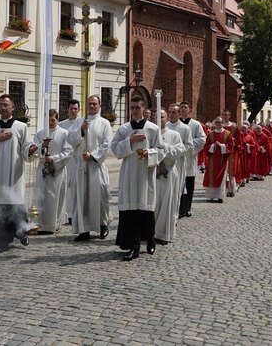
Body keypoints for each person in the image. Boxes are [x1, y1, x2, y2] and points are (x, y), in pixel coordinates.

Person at [111, 96, 165, 260]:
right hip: (129, 173)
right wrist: (129, 141)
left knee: (146, 208)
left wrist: (151, 153)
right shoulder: (124, 129)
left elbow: (161, 150)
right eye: (132, 107)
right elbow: (114, 148)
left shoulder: (153, 129)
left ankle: (150, 239)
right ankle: (133, 246)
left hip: (145, 173)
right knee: (130, 211)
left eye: (137, 107)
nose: (134, 110)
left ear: (144, 108)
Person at [0, 94, 33, 254]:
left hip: (15, 173)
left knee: (16, 204)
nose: (3, 108)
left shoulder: (21, 127)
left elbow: (26, 147)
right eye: (0, 105)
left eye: (6, 105)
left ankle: (23, 233)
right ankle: (2, 243)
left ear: (13, 108)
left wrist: (31, 149)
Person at [67, 95, 113, 242]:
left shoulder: (105, 123)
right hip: (81, 167)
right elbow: (70, 140)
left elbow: (107, 144)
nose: (92, 106)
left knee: (100, 196)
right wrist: (81, 130)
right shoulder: (79, 121)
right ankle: (84, 229)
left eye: (94, 104)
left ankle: (102, 225)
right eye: (89, 104)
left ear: (100, 106)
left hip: (96, 166)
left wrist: (93, 155)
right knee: (81, 198)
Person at [30, 109, 73, 234]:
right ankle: (40, 224)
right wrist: (42, 148)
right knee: (41, 196)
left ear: (57, 120)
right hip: (42, 168)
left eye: (53, 120)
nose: (50, 122)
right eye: (48, 120)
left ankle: (53, 224)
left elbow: (68, 152)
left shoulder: (65, 133)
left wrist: (53, 158)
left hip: (57, 170)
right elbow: (34, 150)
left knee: (55, 197)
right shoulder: (40, 133)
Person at [154, 109, 186, 245]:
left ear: (166, 118)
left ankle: (164, 234)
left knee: (167, 203)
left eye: (162, 117)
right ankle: (150, 232)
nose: (159, 119)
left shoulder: (174, 134)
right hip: (153, 172)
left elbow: (179, 151)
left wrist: (164, 148)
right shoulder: (150, 133)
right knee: (153, 203)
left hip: (168, 171)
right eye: (156, 117)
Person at [177, 101, 207, 218]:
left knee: (189, 185)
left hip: (189, 158)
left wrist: (188, 145)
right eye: (181, 107)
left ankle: (187, 208)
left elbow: (202, 139)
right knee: (178, 184)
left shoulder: (195, 124)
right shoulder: (175, 124)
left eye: (185, 107)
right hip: (178, 158)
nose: (183, 109)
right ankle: (178, 208)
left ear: (190, 110)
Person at [58, 99, 81, 225]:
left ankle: (76, 213)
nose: (73, 111)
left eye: (75, 109)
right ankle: (65, 213)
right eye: (71, 108)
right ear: (68, 109)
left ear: (79, 110)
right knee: (65, 186)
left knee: (76, 186)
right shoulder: (61, 125)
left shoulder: (82, 123)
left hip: (77, 159)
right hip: (65, 160)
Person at [203, 117, 232, 203]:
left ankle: (220, 196)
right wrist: (213, 146)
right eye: (216, 122)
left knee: (221, 177)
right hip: (212, 159)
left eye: (220, 122)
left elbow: (230, 146)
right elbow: (206, 146)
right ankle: (211, 195)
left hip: (222, 159)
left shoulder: (227, 134)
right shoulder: (211, 134)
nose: (218, 124)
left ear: (223, 123)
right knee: (211, 176)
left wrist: (222, 146)